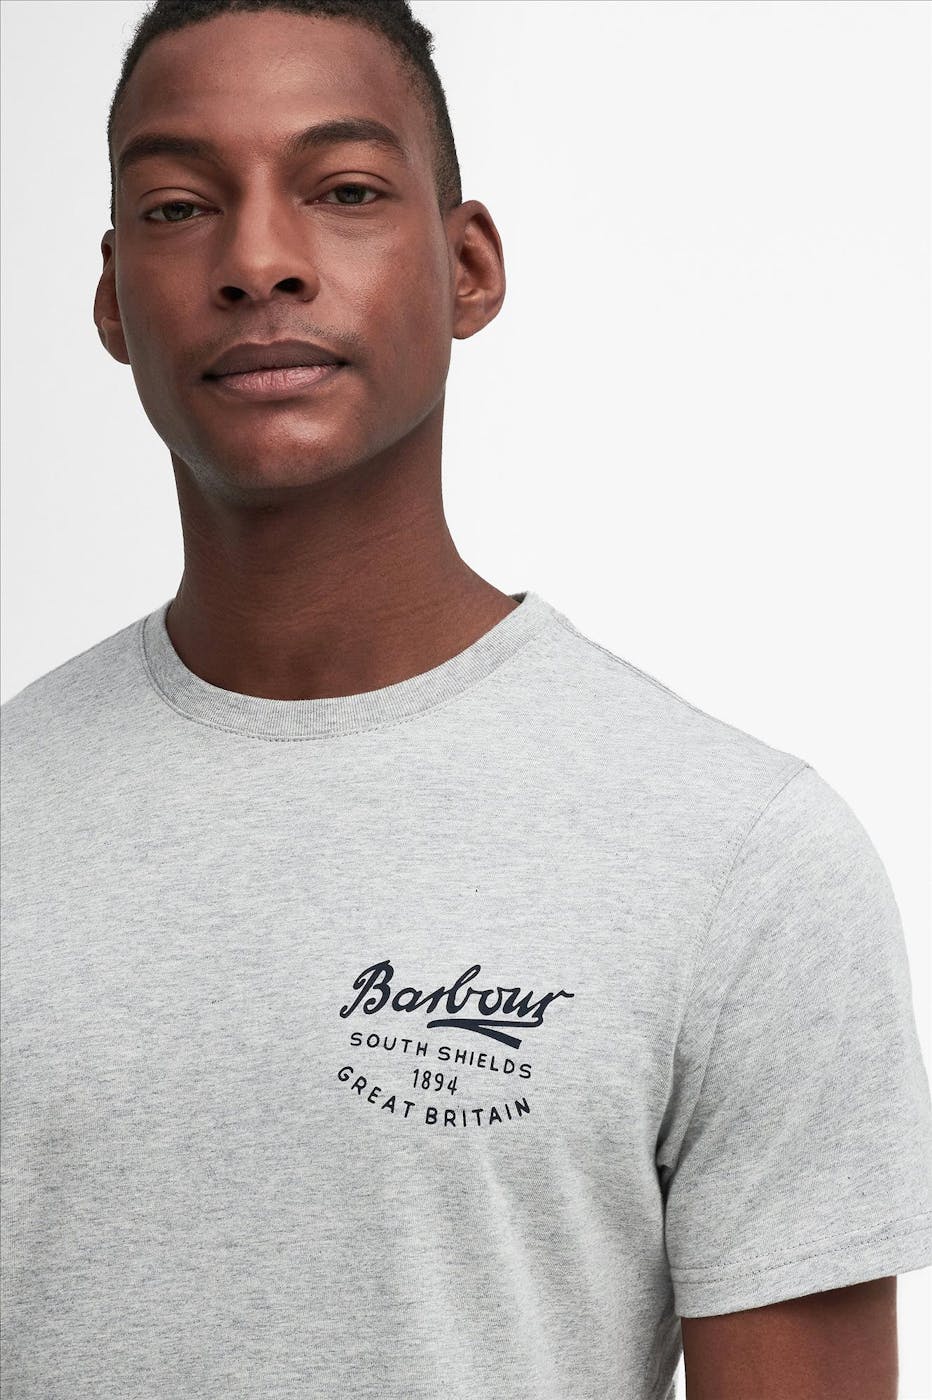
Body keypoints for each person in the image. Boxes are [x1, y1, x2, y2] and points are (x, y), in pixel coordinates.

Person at [1, 2, 930, 1397]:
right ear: (111, 299)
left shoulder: (738, 858)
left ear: (469, 266)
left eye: (344, 191)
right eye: (179, 207)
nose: (257, 261)